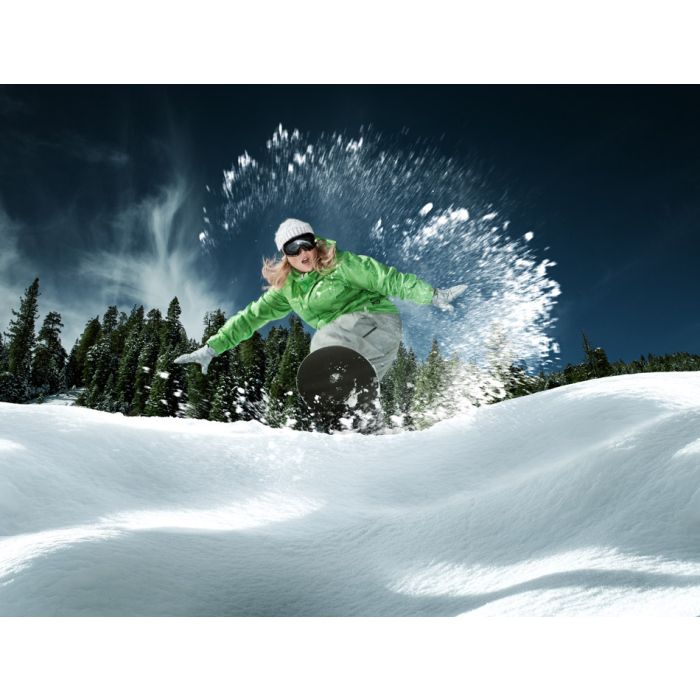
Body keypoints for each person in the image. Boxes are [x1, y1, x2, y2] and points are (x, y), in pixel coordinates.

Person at [174, 218, 466, 385]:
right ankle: (360, 426)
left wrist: (431, 295)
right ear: (285, 255)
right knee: (349, 386)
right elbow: (251, 317)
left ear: (315, 244)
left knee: (323, 343)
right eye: (293, 248)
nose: (303, 253)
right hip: (360, 347)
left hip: (377, 322)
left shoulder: (342, 264)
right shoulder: (288, 290)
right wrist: (213, 348)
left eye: (307, 244)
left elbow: (387, 279)